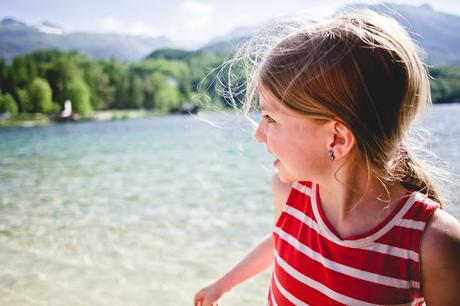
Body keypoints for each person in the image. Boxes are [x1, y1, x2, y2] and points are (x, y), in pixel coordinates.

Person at [194, 9, 460, 306]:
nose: (259, 133)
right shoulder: (291, 196)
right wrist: (223, 284)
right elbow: (283, 243)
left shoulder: (433, 244)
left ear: (337, 139)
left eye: (270, 117)